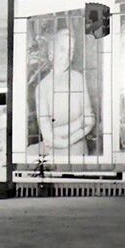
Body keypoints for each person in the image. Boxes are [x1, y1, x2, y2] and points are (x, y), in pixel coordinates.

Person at [33, 23, 96, 159]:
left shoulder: (79, 79)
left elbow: (90, 120)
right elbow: (48, 136)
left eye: (71, 51)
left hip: (81, 155)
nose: (67, 55)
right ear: (51, 52)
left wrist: (61, 134)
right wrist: (79, 123)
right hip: (56, 158)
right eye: (62, 49)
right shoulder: (42, 88)